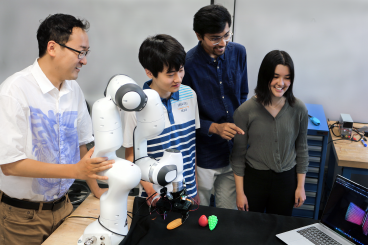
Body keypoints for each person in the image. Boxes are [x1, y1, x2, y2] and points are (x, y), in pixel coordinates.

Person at [0, 14, 113, 245]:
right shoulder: (14, 91)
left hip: (65, 207)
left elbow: (82, 144)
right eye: (80, 52)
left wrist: (96, 190)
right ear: (52, 47)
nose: (84, 60)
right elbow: (10, 165)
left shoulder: (73, 90)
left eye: (86, 53)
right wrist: (76, 172)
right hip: (23, 218)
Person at [182, 4, 248, 209]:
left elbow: (243, 95)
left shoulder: (238, 52)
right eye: (215, 38)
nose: (223, 43)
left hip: (233, 154)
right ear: (198, 35)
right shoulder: (187, 65)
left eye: (226, 35)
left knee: (227, 214)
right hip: (203, 156)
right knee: (197, 214)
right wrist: (214, 127)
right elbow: (183, 116)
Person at [124, 34, 200, 206]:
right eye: (170, 74)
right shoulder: (135, 106)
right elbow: (131, 157)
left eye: (181, 70)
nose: (178, 79)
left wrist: (195, 187)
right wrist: (151, 192)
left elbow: (190, 147)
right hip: (156, 195)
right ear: (150, 72)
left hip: (188, 191)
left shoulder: (190, 95)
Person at [230, 50, 308, 216]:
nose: (281, 83)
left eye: (287, 77)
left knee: (280, 231)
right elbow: (238, 156)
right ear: (265, 76)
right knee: (251, 231)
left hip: (286, 181)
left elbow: (302, 149)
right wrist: (239, 193)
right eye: (276, 76)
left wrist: (300, 187)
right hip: (254, 180)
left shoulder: (299, 109)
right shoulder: (245, 111)